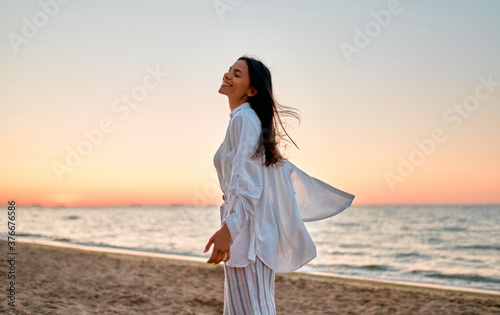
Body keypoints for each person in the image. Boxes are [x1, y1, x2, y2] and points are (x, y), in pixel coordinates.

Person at [204, 56, 354, 314]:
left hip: (249, 236)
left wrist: (229, 230)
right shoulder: (246, 119)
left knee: (253, 308)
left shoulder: (244, 119)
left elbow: (248, 183)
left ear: (252, 91)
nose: (227, 75)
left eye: (237, 74)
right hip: (249, 232)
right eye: (229, 70)